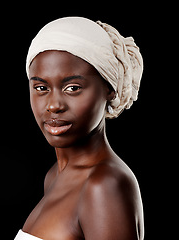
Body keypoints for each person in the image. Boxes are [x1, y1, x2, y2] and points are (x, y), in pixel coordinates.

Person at [15, 17, 144, 240]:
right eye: (41, 87)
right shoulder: (55, 175)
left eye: (73, 88)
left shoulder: (104, 184)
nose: (54, 105)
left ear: (110, 88)